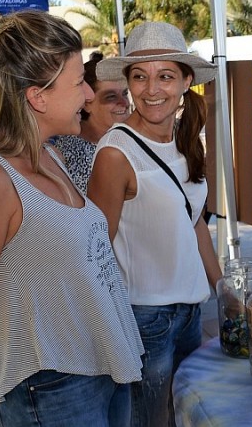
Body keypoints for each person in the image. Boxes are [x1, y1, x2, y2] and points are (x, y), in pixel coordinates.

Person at [0, 9, 143, 426]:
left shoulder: (51, 155)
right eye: (79, 80)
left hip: (103, 367)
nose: (87, 94)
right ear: (37, 96)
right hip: (51, 387)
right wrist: (14, 354)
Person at [88, 21, 222, 427]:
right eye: (140, 77)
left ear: (185, 82)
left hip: (190, 312)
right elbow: (96, 249)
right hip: (145, 319)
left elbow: (194, 221)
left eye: (165, 76)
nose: (152, 89)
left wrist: (224, 292)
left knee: (186, 412)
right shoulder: (116, 153)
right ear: (128, 83)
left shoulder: (185, 138)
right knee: (151, 421)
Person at [53, 51, 130, 193]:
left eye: (125, 93)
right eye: (111, 97)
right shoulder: (72, 154)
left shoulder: (126, 140)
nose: (124, 102)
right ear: (87, 103)